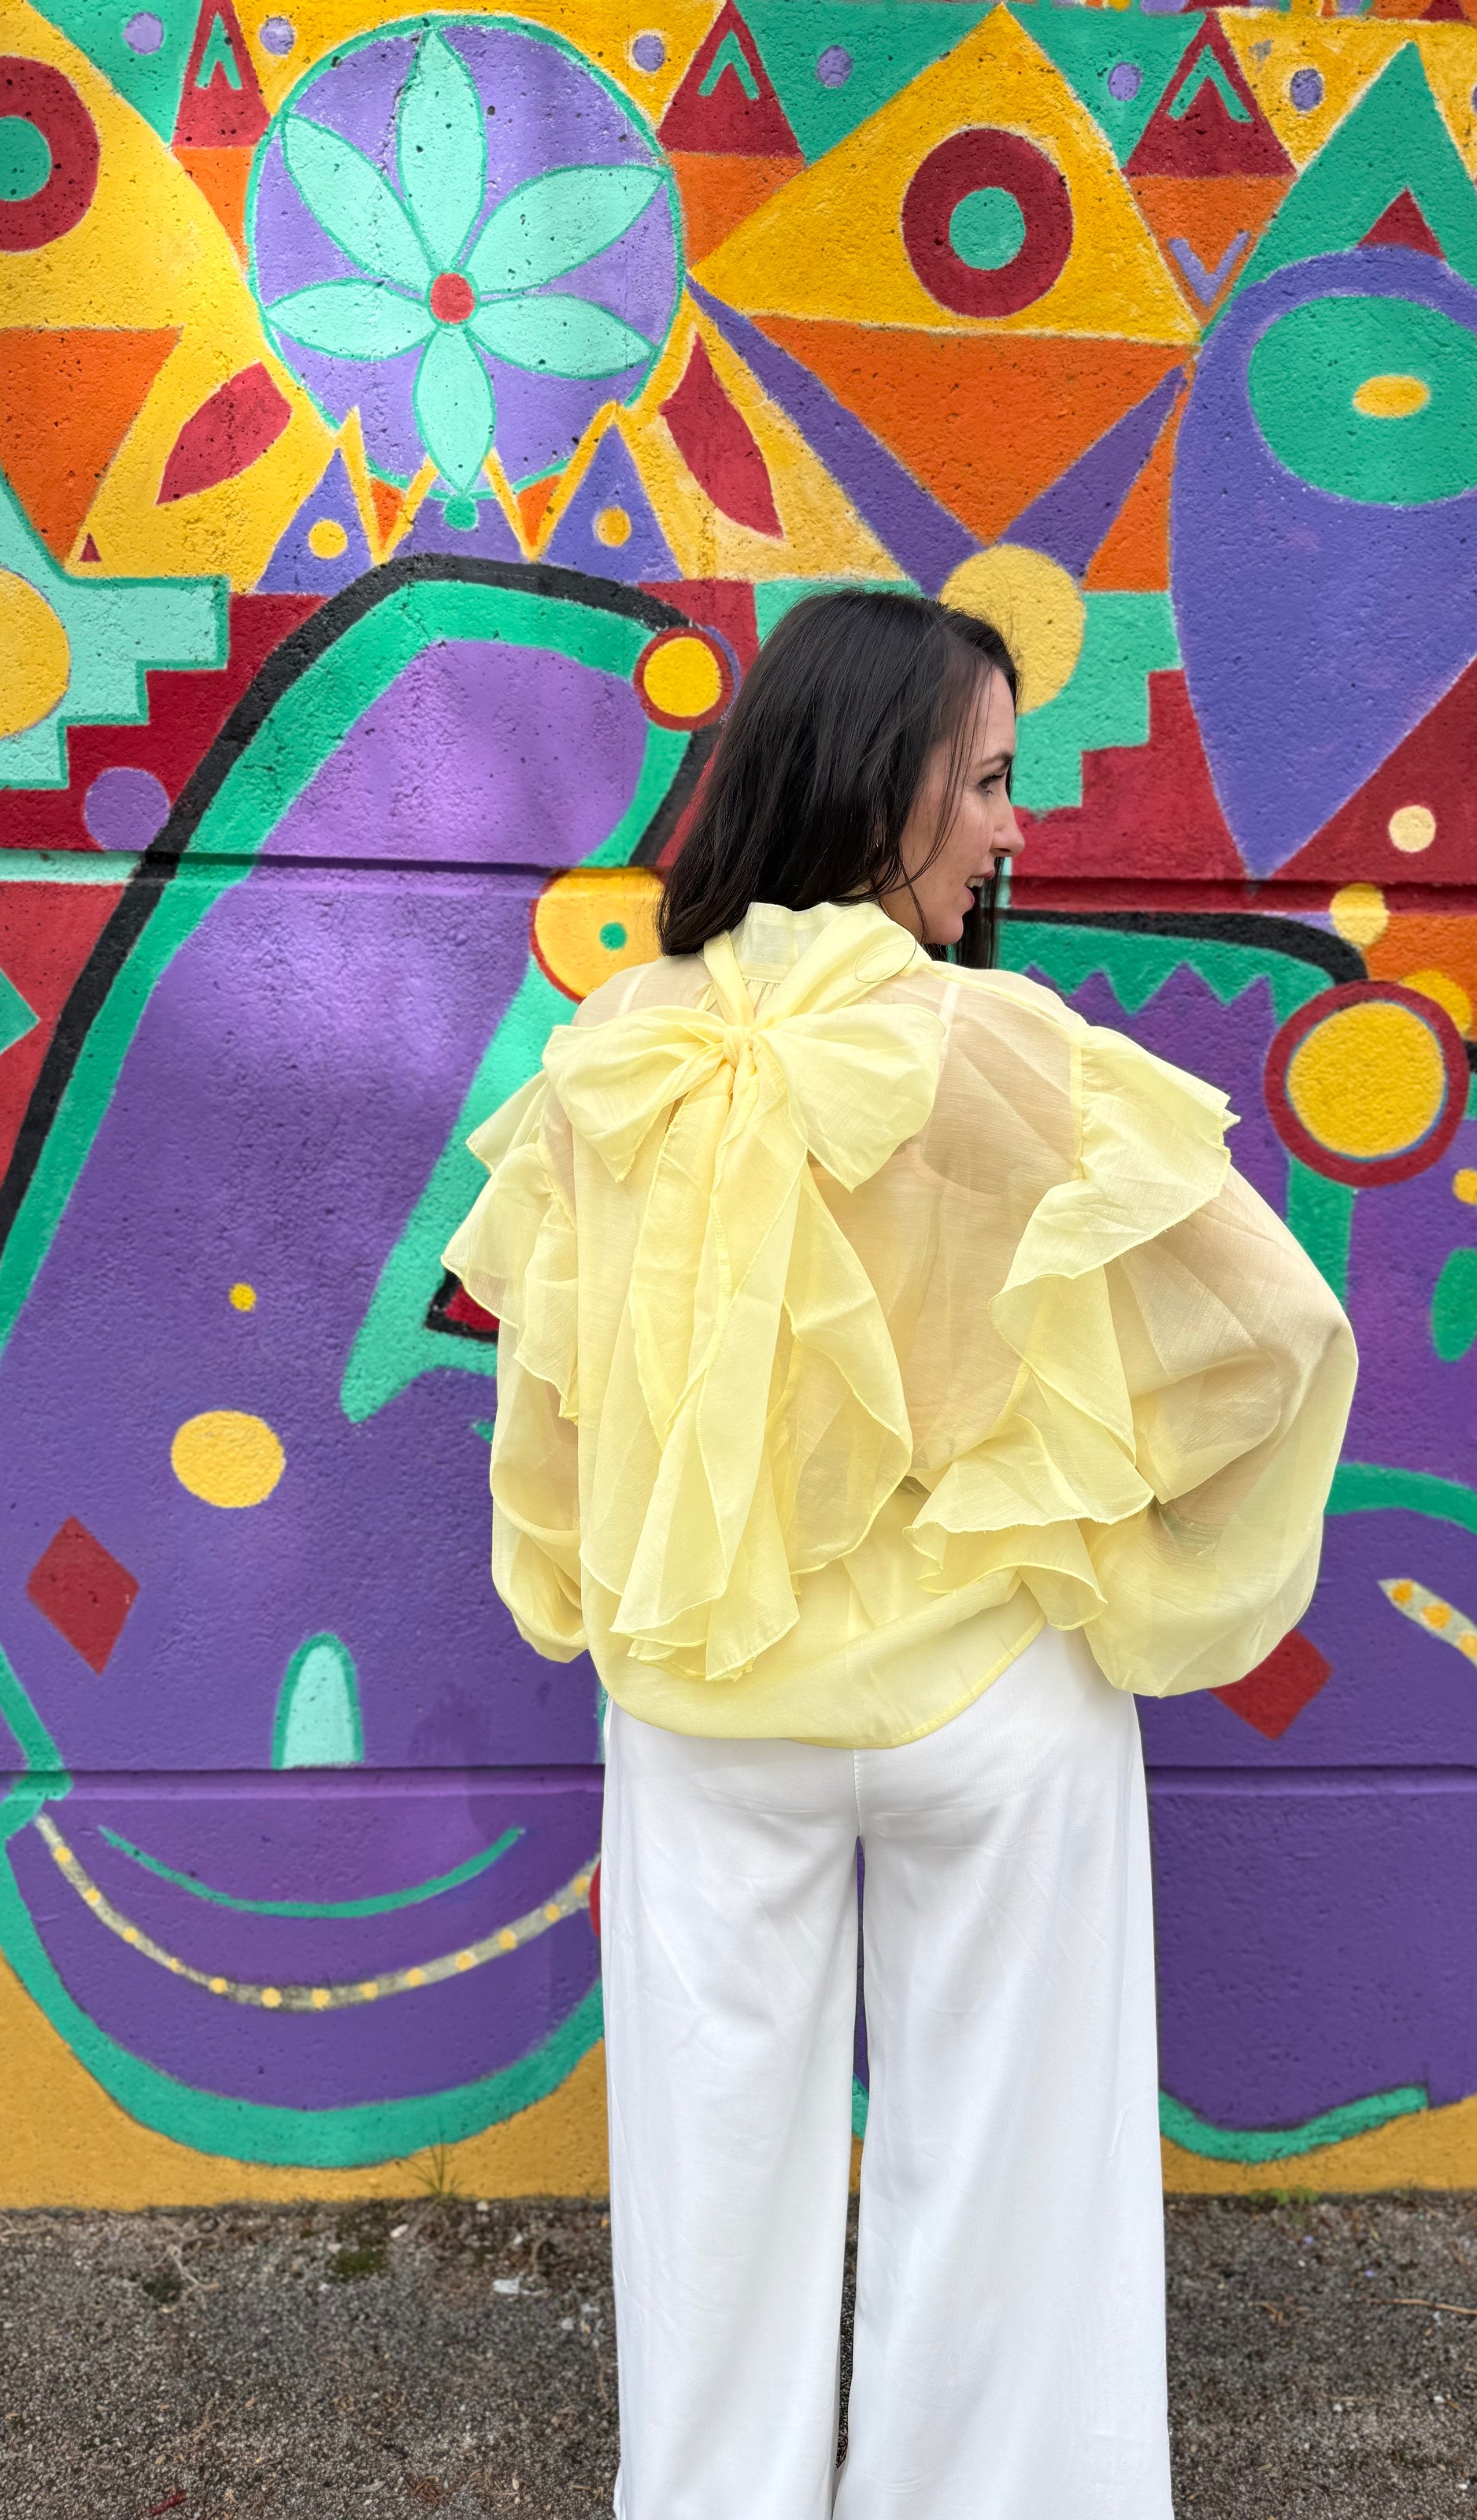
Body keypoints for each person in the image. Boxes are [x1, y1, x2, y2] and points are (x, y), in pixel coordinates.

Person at [444, 590, 1357, 2520]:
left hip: (705, 1699)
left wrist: (580, 1601)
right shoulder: (1001, 1049)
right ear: (881, 792)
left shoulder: (617, 1047)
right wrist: (1093, 1528)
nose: (1019, 829)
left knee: (708, 2205)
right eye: (994, 781)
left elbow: (548, 1412)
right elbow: (1277, 1333)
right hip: (988, 1701)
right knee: (1020, 2209)